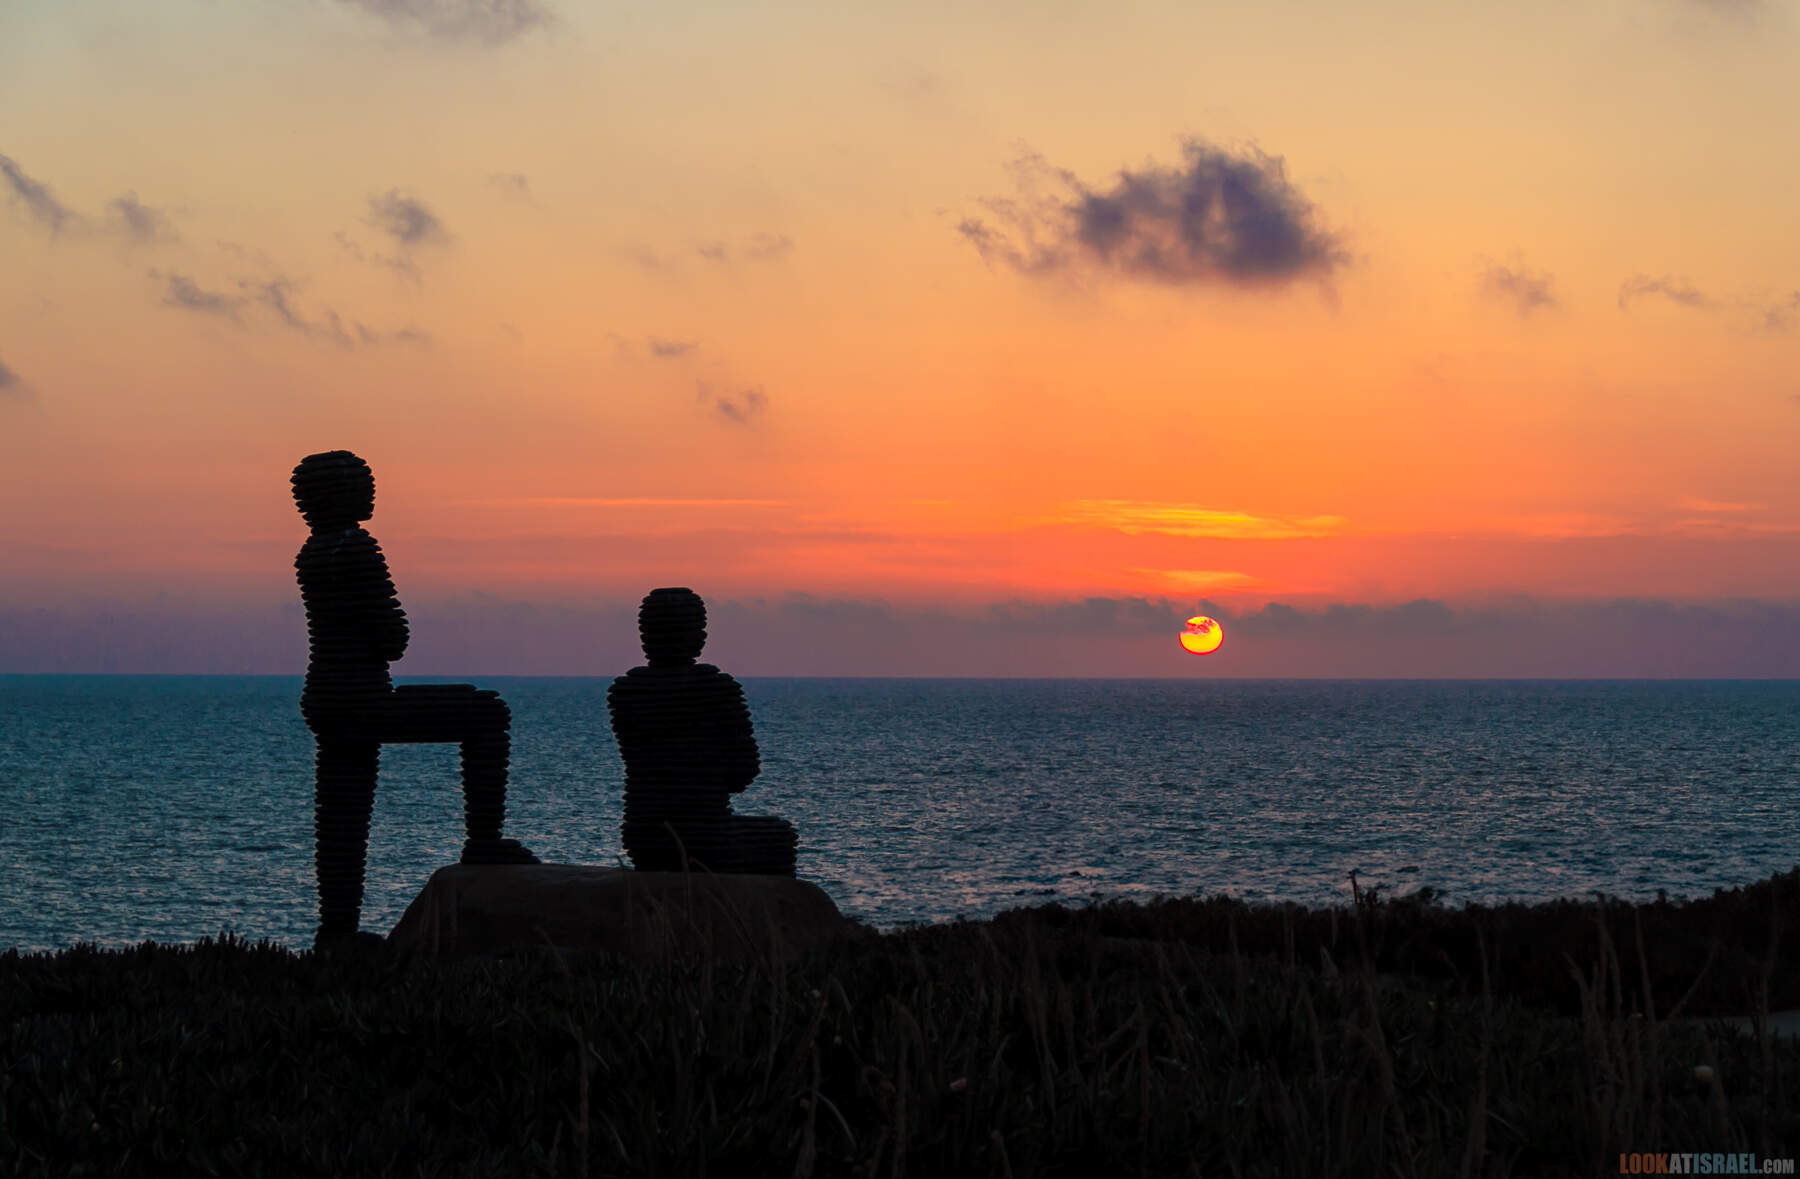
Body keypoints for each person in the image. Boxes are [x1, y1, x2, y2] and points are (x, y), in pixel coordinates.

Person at [292, 449, 537, 950]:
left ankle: (337, 927)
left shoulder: (311, 552)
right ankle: (483, 840)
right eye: (363, 483)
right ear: (343, 494)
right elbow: (392, 638)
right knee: (486, 713)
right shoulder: (356, 547)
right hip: (361, 697)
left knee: (344, 810)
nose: (372, 490)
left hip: (326, 698)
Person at [607, 587, 797, 875]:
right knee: (780, 836)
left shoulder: (625, 692)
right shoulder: (718, 689)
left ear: (645, 635)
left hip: (643, 837)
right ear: (696, 635)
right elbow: (743, 773)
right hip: (705, 837)